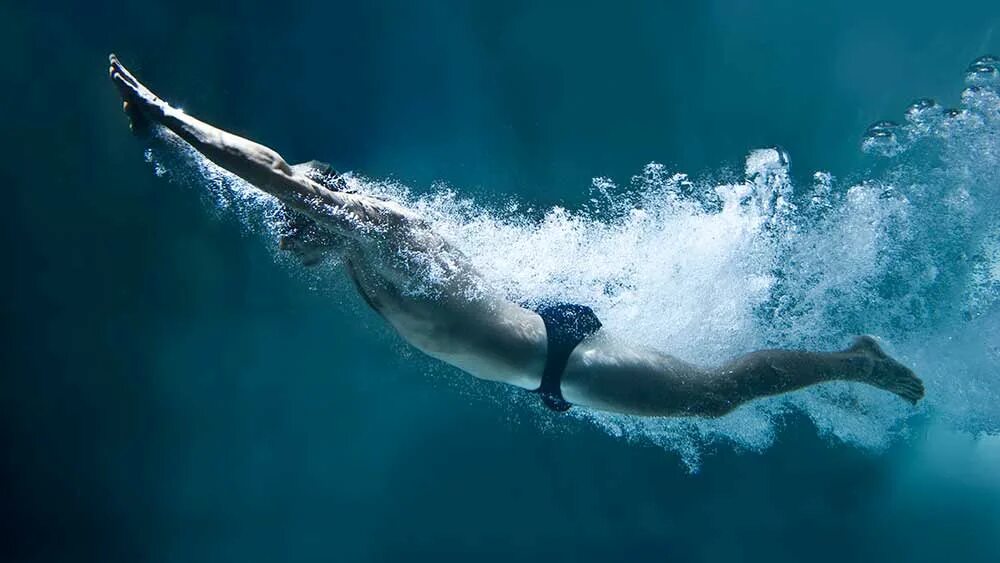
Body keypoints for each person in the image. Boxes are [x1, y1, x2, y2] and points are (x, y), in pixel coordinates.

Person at [108, 54, 924, 417]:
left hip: (569, 360)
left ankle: (855, 358)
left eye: (298, 215)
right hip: (545, 370)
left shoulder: (378, 229)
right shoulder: (356, 257)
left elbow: (269, 171)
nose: (285, 233)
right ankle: (851, 358)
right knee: (705, 400)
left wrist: (174, 121)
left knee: (712, 398)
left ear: (326, 201)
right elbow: (272, 183)